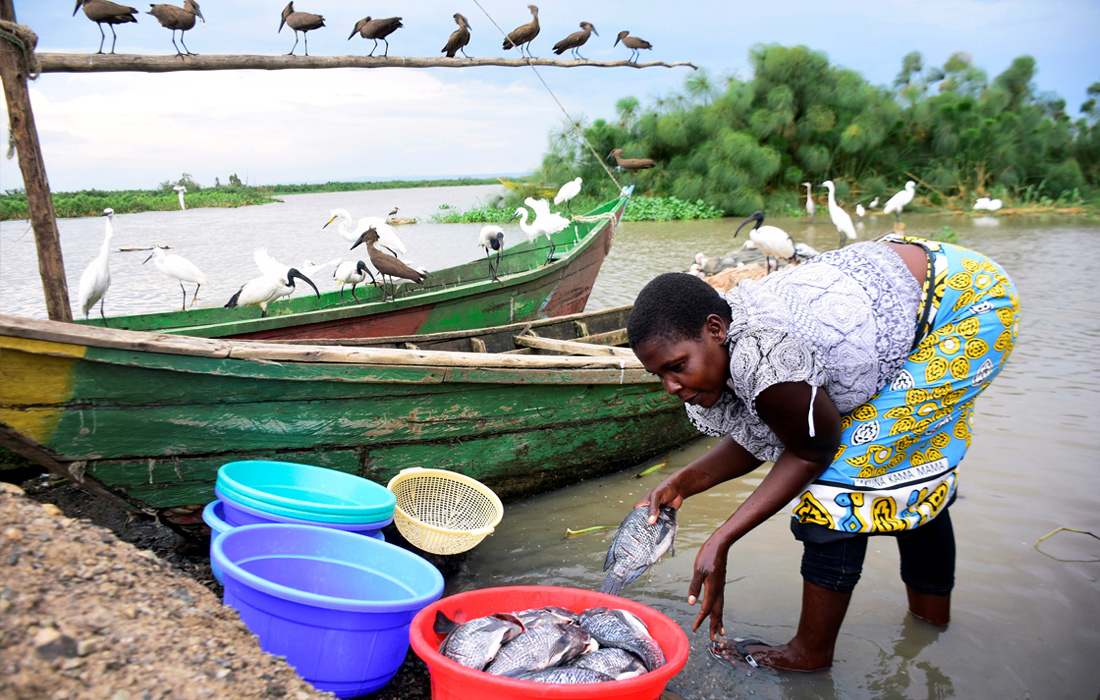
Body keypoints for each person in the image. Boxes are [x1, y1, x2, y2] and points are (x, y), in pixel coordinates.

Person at [626, 233, 1019, 672]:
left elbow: (813, 449)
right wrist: (683, 482)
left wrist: (722, 538)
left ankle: (810, 653)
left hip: (965, 305)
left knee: (839, 483)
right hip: (917, 282)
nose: (672, 387)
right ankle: (930, 626)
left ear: (716, 329)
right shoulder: (726, 351)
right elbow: (774, 430)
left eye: (677, 367)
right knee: (909, 468)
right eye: (658, 375)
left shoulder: (765, 357)